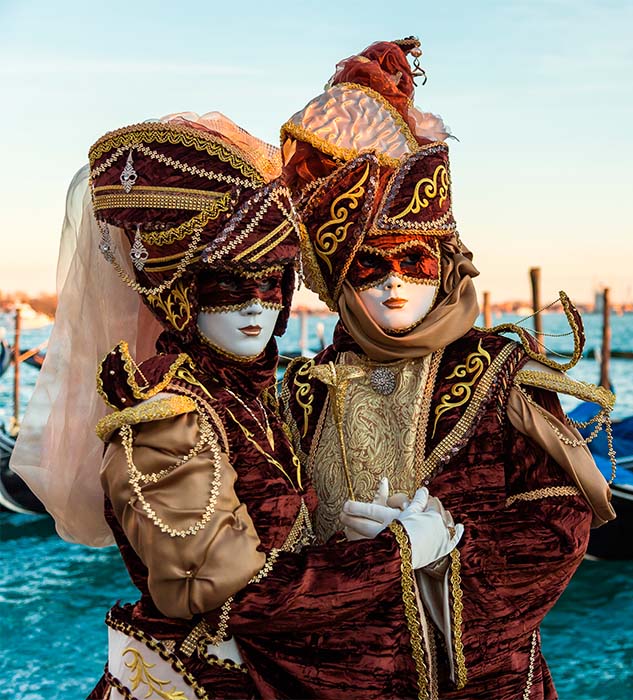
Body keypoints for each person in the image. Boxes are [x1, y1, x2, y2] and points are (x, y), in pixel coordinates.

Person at [13, 111, 461, 700]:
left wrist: (352, 534)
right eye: (228, 287)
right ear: (182, 300)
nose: (256, 307)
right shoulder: (164, 419)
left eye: (271, 283)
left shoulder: (250, 399)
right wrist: (400, 554)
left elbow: (275, 542)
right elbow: (228, 594)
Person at [278, 38, 618, 699]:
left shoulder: (498, 375)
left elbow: (557, 528)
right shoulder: (303, 392)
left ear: (447, 263)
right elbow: (269, 547)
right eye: (372, 266)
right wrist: (342, 554)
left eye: (416, 261)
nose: (395, 283)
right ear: (340, 280)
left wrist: (441, 558)